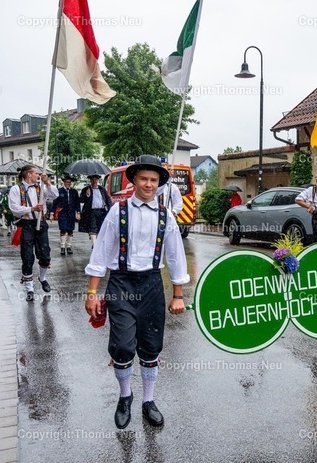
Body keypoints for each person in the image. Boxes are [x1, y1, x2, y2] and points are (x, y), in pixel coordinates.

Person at [84, 155, 189, 429]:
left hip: (152, 284)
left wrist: (178, 295)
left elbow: (176, 256)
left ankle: (149, 401)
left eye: (153, 180)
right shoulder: (117, 211)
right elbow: (100, 252)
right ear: (134, 181)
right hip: (121, 284)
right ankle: (125, 396)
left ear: (159, 184)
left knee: (151, 346)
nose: (148, 184)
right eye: (144, 178)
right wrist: (92, 291)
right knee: (122, 346)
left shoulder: (166, 216)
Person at [9, 165, 59, 301]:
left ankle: (42, 278)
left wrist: (48, 182)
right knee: (27, 257)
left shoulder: (41, 187)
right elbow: (14, 208)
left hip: (41, 223)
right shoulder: (16, 189)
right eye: (36, 173)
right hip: (26, 225)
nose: (39, 175)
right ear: (29, 175)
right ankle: (29, 288)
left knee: (45, 254)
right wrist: (32, 209)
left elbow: (55, 195)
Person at [79, 175, 112, 248]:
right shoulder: (86, 189)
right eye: (92, 180)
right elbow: (81, 200)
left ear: (97, 180)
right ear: (90, 180)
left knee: (101, 228)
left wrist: (110, 209)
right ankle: (95, 246)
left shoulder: (102, 189)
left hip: (102, 211)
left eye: (95, 179)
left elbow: (108, 199)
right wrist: (87, 195)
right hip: (91, 212)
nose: (94, 181)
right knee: (92, 228)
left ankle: (98, 244)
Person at [52, 174, 81, 255]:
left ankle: (69, 246)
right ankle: (62, 247)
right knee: (63, 229)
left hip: (71, 212)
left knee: (70, 230)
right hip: (62, 212)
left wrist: (78, 213)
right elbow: (55, 203)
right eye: (67, 182)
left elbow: (77, 203)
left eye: (69, 182)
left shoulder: (74, 191)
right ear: (64, 182)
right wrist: (51, 213)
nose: (68, 183)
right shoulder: (59, 191)